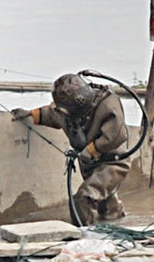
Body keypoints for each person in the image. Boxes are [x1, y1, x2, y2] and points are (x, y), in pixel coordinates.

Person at [11, 74, 130, 225]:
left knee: (84, 197)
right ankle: (115, 225)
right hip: (89, 164)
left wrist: (92, 150)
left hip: (113, 163)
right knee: (107, 205)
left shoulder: (107, 105)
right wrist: (30, 114)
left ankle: (84, 233)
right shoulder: (67, 110)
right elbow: (53, 115)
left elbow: (116, 136)